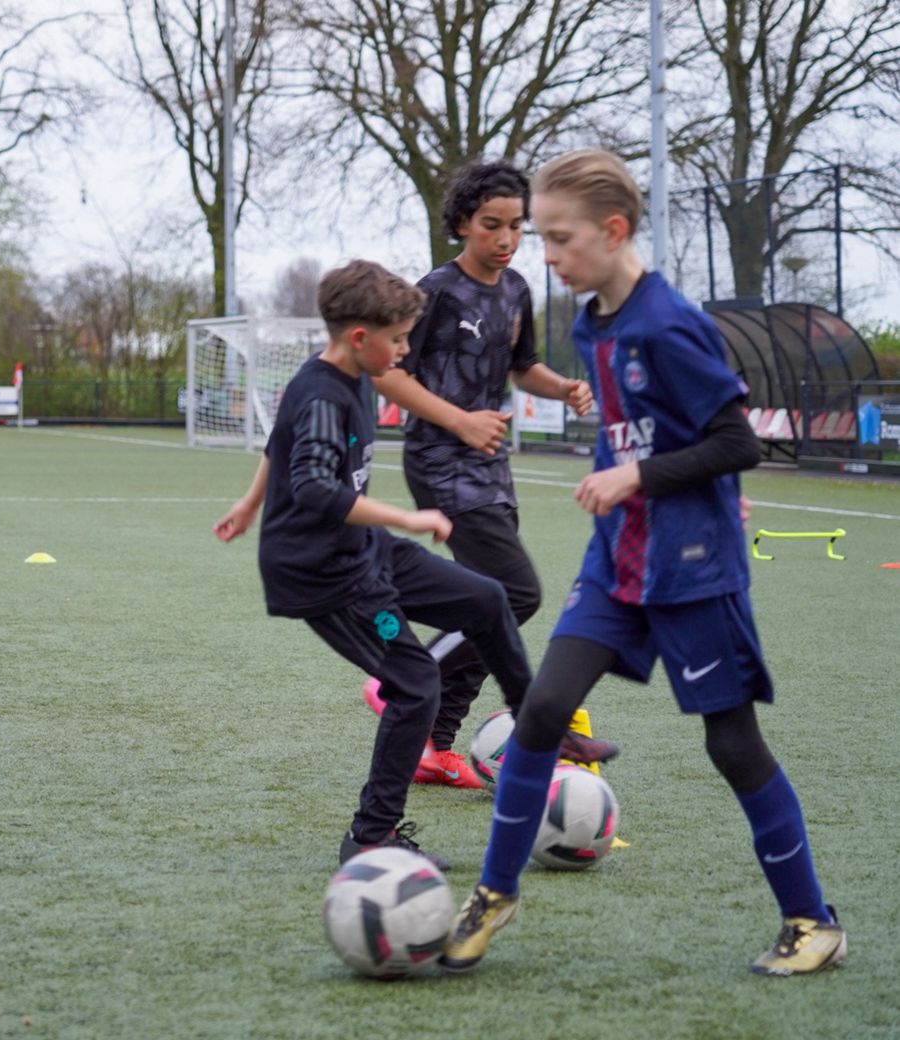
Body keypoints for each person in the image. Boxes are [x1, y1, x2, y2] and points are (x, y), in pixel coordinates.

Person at [441, 150, 846, 976]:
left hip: (695, 568)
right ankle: (495, 892)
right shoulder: (592, 321)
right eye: (537, 236)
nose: (543, 254)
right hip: (617, 563)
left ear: (613, 231)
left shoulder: (670, 323)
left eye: (558, 237)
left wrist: (635, 474)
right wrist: (619, 471)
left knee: (732, 745)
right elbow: (636, 425)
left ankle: (813, 919)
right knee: (543, 710)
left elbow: (737, 442)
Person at [214, 260, 535, 869]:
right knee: (416, 684)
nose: (407, 349)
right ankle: (372, 835)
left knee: (489, 599)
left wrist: (250, 501)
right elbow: (311, 488)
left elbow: (276, 444)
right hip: (324, 574)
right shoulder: (319, 394)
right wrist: (410, 518)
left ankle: (540, 733)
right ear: (359, 337)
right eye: (399, 339)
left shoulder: (354, 370)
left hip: (364, 550)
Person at [371, 159, 612, 788]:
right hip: (438, 462)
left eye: (516, 226)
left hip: (489, 465)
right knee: (514, 596)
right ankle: (403, 674)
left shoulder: (516, 291)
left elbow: (522, 364)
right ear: (461, 224)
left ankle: (435, 744)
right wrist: (460, 422)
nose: (505, 239)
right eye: (490, 225)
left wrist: (563, 388)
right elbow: (389, 374)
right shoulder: (435, 293)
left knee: (485, 602)